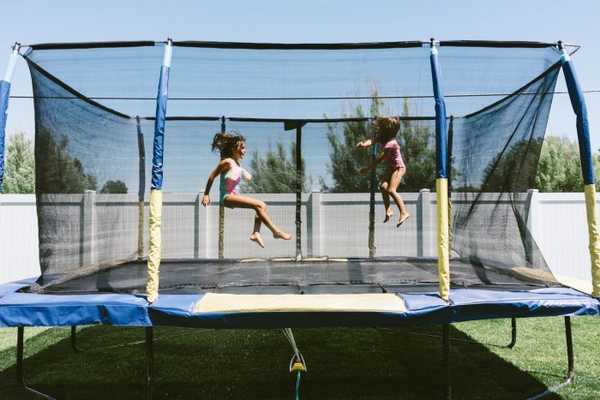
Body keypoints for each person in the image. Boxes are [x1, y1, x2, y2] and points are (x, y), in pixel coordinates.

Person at [201, 132, 292, 247]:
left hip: (234, 196)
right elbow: (212, 176)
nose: (244, 151)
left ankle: (256, 233)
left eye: (245, 148)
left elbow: (240, 172)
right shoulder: (227, 162)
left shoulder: (237, 164)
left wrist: (245, 173)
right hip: (227, 197)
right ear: (234, 148)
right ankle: (276, 232)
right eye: (242, 148)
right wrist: (206, 194)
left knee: (262, 206)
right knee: (259, 205)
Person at [357, 117, 410, 227]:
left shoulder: (391, 143)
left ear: (386, 130)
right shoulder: (382, 137)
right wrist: (364, 144)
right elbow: (372, 140)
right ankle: (389, 210)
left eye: (379, 128)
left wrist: (367, 168)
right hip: (391, 167)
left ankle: (404, 212)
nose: (377, 130)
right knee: (382, 187)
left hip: (398, 168)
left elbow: (380, 159)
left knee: (391, 190)